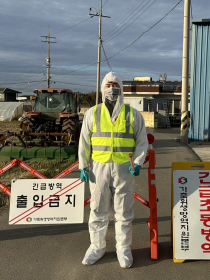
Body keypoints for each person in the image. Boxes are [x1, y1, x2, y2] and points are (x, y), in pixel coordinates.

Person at [78, 72, 148, 268]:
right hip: (98, 168)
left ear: (121, 88)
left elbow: (142, 142)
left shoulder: (132, 114)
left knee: (123, 212)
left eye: (115, 84)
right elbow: (84, 142)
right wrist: (83, 165)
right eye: (108, 85)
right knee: (98, 210)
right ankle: (96, 247)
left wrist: (138, 163)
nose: (111, 88)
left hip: (124, 169)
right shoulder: (92, 113)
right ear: (102, 89)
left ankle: (123, 249)